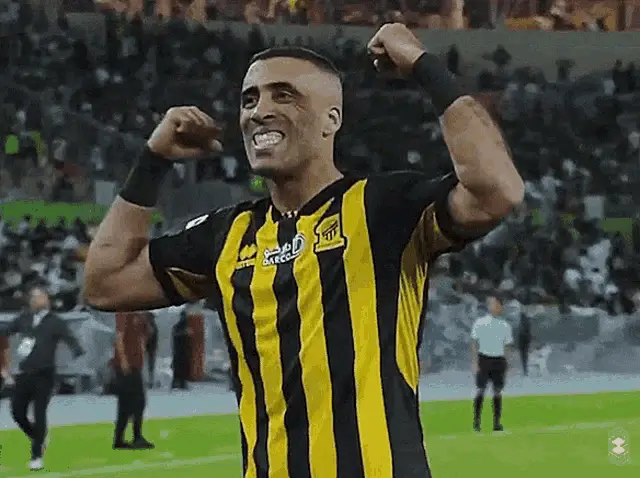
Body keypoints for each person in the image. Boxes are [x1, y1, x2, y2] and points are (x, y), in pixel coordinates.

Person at [84, 23, 524, 478]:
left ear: (331, 120)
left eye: (284, 95)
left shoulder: (383, 207)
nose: (260, 111)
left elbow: (499, 190)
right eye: (249, 99)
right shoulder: (226, 234)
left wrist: (424, 66)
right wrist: (153, 161)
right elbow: (104, 282)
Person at [0, 285, 84, 471]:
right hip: (24, 373)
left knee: (39, 413)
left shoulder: (55, 322)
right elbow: (6, 329)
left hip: (44, 374)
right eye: (34, 297)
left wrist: (77, 351)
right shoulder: (24, 318)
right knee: (17, 411)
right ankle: (37, 436)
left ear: (46, 299)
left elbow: (71, 339)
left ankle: (36, 455)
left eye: (39, 296)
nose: (36, 299)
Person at [470, 295, 513, 432]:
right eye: (492, 304)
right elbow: (474, 343)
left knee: (497, 391)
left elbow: (507, 345)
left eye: (497, 305)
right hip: (484, 359)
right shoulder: (480, 322)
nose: (495, 307)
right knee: (480, 390)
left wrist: (507, 362)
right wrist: (475, 361)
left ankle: (496, 423)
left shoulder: (505, 325)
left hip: (498, 360)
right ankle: (477, 421)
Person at [112, 312, 154, 450]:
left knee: (132, 402)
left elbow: (145, 336)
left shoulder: (140, 316)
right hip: (127, 365)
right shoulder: (125, 313)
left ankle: (123, 438)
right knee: (132, 402)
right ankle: (132, 437)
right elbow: (119, 337)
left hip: (135, 364)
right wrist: (123, 360)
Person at [171, 309, 192, 390]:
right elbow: (176, 335)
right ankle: (179, 383)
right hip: (180, 350)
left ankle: (180, 383)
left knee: (181, 368)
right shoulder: (181, 326)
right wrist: (185, 333)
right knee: (180, 368)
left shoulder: (180, 326)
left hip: (181, 351)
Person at [143, 311, 158, 389]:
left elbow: (150, 337)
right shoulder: (151, 326)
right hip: (150, 349)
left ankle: (149, 381)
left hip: (149, 349)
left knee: (149, 366)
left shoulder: (150, 326)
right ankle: (149, 381)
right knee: (149, 367)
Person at [517, 309, 531, 375]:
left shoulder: (522, 323)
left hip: (523, 341)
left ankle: (525, 370)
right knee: (525, 356)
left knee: (523, 356)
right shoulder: (527, 322)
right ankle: (525, 370)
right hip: (525, 341)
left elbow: (522, 332)